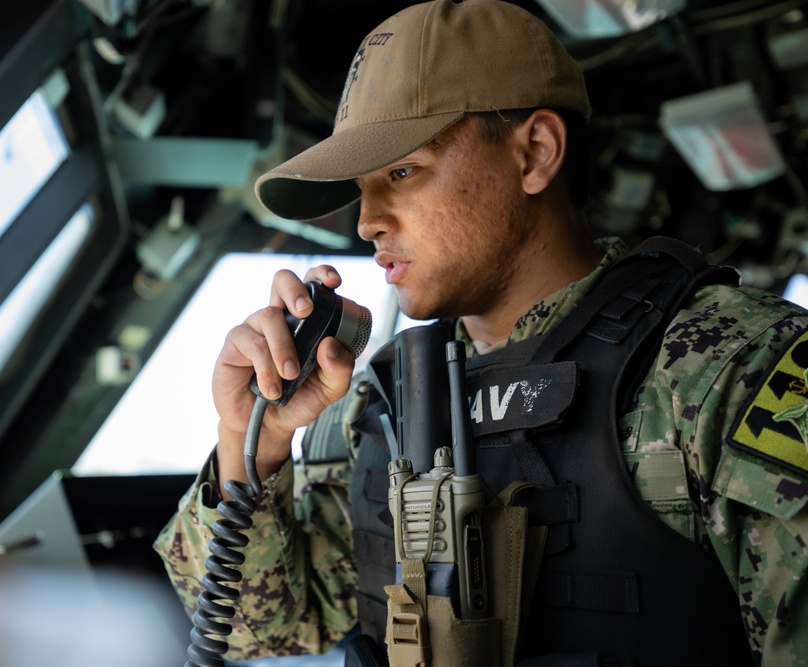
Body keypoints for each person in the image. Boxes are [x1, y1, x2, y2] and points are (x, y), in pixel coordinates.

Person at [155, 0, 808, 664]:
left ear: (535, 153)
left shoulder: (732, 372)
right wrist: (252, 442)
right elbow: (254, 629)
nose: (366, 221)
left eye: (402, 171)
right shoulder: (373, 407)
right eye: (362, 186)